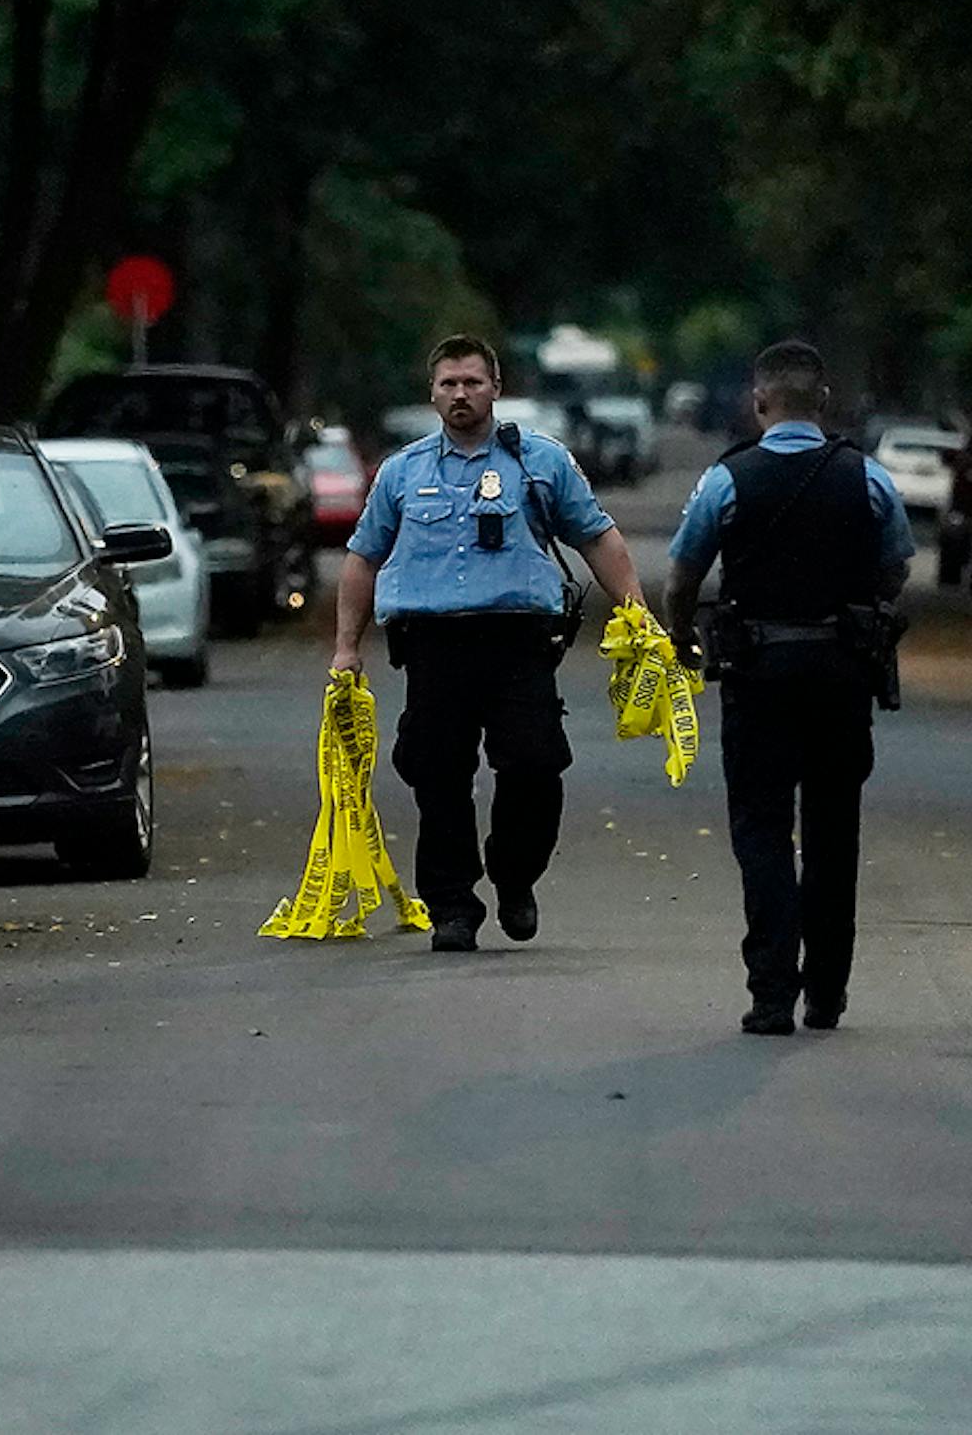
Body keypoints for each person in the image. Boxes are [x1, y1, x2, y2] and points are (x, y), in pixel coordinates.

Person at [333, 334, 645, 952]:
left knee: (535, 765)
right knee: (437, 775)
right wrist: (347, 645)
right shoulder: (403, 471)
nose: (461, 395)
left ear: (496, 389)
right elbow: (362, 559)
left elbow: (597, 537)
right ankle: (452, 906)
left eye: (473, 382)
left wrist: (637, 613)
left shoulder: (540, 462)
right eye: (448, 384)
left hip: (517, 644)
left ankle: (515, 873)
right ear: (432, 393)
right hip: (432, 646)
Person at [663, 340, 914, 1035]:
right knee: (835, 832)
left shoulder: (727, 480)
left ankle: (772, 992)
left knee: (762, 829)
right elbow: (896, 568)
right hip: (841, 679)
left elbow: (682, 577)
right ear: (824, 400)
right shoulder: (867, 478)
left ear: (759, 401)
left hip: (758, 679)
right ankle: (826, 993)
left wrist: (683, 636)